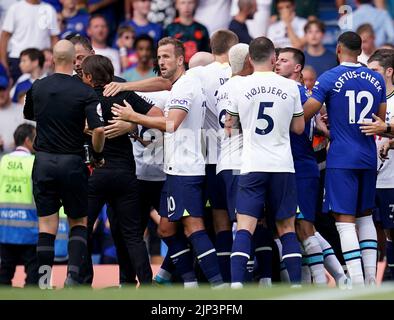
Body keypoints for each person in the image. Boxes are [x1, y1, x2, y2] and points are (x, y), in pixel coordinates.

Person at [112, 37, 225, 288]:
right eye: (159, 56)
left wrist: (133, 116)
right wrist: (123, 87)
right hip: (174, 169)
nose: (161, 61)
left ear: (180, 59)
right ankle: (186, 283)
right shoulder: (182, 82)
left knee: (194, 228)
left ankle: (218, 286)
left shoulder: (185, 87)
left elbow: (172, 123)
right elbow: (160, 82)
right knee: (166, 230)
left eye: (166, 56)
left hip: (186, 168)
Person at [303, 31, 387, 286]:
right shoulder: (376, 79)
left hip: (342, 157)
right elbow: (379, 119)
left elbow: (307, 113)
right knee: (365, 216)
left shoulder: (329, 77)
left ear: (339, 49)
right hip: (368, 155)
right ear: (360, 50)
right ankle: (372, 278)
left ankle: (358, 281)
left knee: (344, 219)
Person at [23, 40, 106, 287]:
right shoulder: (85, 91)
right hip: (73, 163)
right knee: (78, 222)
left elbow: (29, 115)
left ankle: (44, 282)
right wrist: (97, 154)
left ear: (52, 60)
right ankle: (72, 277)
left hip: (44, 162)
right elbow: (99, 130)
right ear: (74, 61)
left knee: (47, 226)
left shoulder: (37, 87)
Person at [226, 36, 305, 288]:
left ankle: (237, 285)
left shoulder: (238, 85)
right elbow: (299, 128)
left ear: (249, 59)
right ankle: (295, 286)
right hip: (282, 165)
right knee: (286, 228)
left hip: (251, 164)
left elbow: (229, 127)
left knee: (245, 227)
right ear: (273, 59)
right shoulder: (290, 87)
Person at [81, 54, 163, 285]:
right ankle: (147, 284)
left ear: (88, 76)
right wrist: (133, 122)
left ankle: (79, 282)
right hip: (125, 173)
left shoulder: (84, 96)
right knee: (132, 235)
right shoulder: (123, 93)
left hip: (95, 172)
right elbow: (158, 116)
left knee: (82, 230)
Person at [276, 47, 347, 287]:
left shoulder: (293, 92)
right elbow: (317, 123)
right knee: (298, 227)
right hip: (293, 166)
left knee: (304, 227)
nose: (277, 63)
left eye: (283, 60)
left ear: (297, 68)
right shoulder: (297, 93)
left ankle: (324, 280)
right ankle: (333, 277)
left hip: (299, 167)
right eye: (277, 60)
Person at [187, 30, 239, 283]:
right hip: (239, 157)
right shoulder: (241, 73)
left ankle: (224, 279)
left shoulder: (198, 74)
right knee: (247, 221)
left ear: (211, 47)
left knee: (219, 223)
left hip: (209, 158)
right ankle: (250, 277)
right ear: (235, 48)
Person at [0, 124, 38, 286]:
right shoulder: (34, 162)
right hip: (29, 229)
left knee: (4, 273)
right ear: (28, 141)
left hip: (5, 227)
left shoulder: (3, 161)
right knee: (33, 277)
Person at [368, 49, 394, 279]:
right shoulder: (369, 98)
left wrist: (388, 134)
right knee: (375, 230)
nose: (369, 75)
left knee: (391, 230)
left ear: (389, 71)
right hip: (370, 173)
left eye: (374, 71)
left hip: (391, 177)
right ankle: (379, 276)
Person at [0, 0, 60, 83]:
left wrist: (55, 61)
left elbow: (54, 38)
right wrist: (3, 62)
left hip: (41, 60)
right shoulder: (15, 8)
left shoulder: (49, 9)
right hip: (18, 60)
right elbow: (5, 36)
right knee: (19, 92)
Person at [164, 0, 210, 64]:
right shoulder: (170, 29)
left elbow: (207, 53)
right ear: (176, 5)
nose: (186, 6)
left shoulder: (202, 29)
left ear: (195, 4)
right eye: (183, 3)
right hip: (177, 69)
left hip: (198, 69)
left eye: (190, 2)